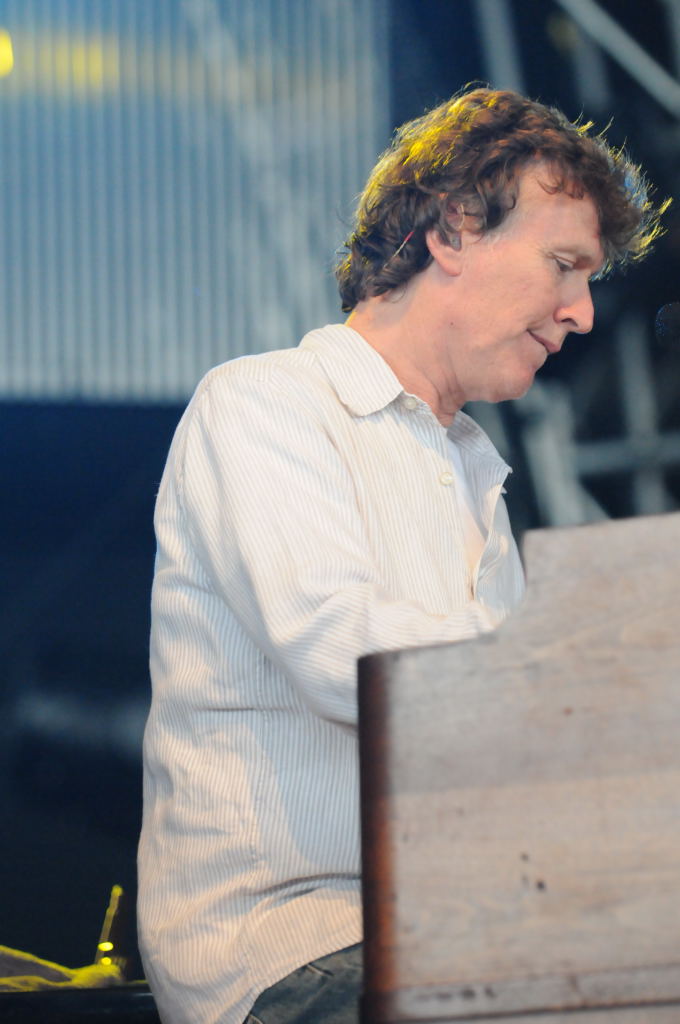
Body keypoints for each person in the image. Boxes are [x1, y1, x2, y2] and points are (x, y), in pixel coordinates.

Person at [137, 86, 665, 1024]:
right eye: (564, 266)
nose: (582, 312)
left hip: (449, 928)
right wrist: (598, 683)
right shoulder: (264, 405)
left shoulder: (472, 472)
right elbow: (352, 656)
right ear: (455, 229)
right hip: (294, 948)